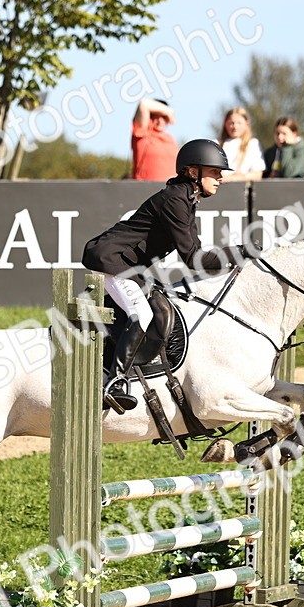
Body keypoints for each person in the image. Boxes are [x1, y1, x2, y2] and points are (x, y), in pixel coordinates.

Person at [82, 139, 250, 412]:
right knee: (143, 315)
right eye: (214, 172)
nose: (220, 178)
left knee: (159, 309)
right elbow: (194, 259)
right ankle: (114, 382)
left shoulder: (185, 198)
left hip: (128, 264)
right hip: (111, 259)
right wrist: (237, 253)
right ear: (193, 172)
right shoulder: (176, 200)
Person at [130, 98, 178, 180]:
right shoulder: (142, 133)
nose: (160, 121)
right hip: (146, 189)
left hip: (169, 190)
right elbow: (144, 104)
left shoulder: (170, 139)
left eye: (164, 117)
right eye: (155, 116)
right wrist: (168, 110)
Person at [218, 106, 264, 180]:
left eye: (239, 123)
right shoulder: (216, 144)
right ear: (225, 124)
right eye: (231, 123)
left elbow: (257, 174)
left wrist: (235, 178)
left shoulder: (253, 144)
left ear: (246, 124)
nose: (235, 127)